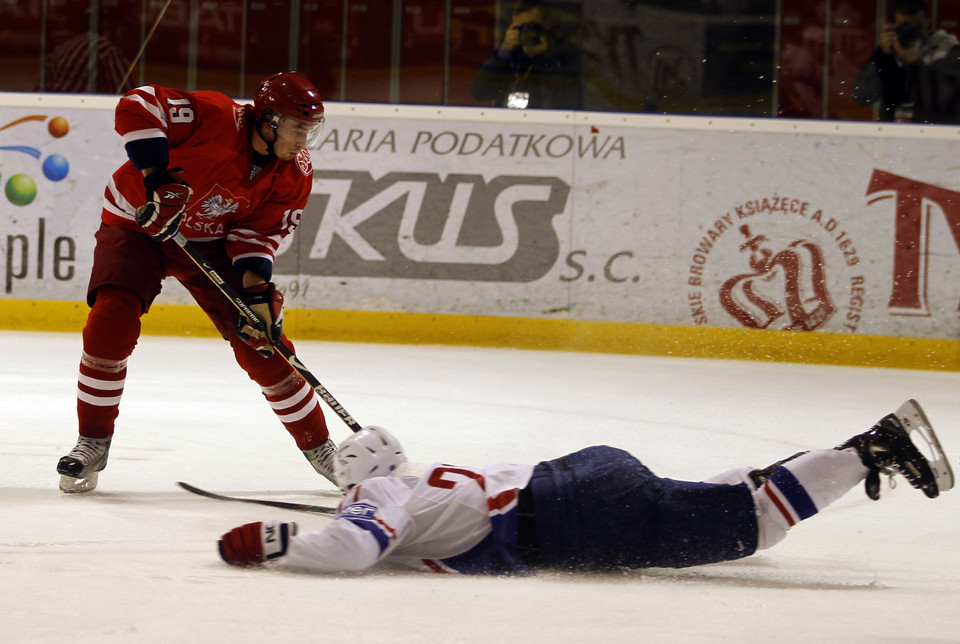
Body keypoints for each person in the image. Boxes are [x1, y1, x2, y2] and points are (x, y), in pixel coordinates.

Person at [217, 399, 954, 574]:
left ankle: (872, 449)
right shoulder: (417, 482)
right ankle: (858, 454)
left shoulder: (380, 500)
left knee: (748, 524)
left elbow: (353, 549)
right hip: (584, 479)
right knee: (720, 499)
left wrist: (276, 545)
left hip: (573, 515)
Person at [57, 71, 339, 494]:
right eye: (298, 128)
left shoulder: (294, 174)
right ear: (268, 120)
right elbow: (140, 102)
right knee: (110, 320)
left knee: (262, 341)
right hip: (139, 223)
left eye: (309, 130)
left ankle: (322, 449)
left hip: (212, 244)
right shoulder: (216, 115)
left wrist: (258, 294)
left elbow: (257, 236)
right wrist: (158, 180)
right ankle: (93, 441)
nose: (304, 141)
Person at [852, 0, 960, 123]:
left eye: (918, 27)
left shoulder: (948, 51)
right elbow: (861, 96)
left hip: (933, 132)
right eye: (905, 28)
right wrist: (884, 57)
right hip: (894, 131)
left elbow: (946, 97)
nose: (913, 33)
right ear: (893, 28)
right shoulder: (890, 54)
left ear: (928, 23)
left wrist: (915, 63)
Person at [469, 1, 581, 110]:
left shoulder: (564, 51)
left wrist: (543, 58)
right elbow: (479, 92)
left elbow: (566, 97)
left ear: (547, 24)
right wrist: (503, 53)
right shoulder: (510, 52)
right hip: (508, 121)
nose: (525, 32)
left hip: (547, 121)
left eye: (531, 27)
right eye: (519, 28)